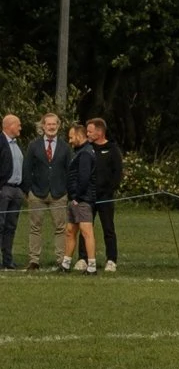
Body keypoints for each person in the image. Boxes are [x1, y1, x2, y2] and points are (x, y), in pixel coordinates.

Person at [26, 113, 73, 271]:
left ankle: (61, 260)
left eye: (54, 124)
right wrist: (29, 190)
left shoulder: (65, 147)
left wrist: (67, 190)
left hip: (59, 193)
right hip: (37, 193)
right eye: (48, 124)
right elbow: (27, 169)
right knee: (35, 227)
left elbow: (70, 171)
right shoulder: (33, 146)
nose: (51, 127)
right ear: (43, 126)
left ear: (58, 126)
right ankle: (34, 261)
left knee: (61, 228)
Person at [77, 117, 125, 271]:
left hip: (105, 197)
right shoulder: (86, 148)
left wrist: (109, 190)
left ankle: (111, 259)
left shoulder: (112, 149)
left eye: (90, 131)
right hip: (87, 196)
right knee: (85, 228)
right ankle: (83, 258)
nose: (88, 134)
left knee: (108, 228)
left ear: (99, 132)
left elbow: (117, 173)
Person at [64, 119, 100, 273]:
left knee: (86, 231)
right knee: (70, 231)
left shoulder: (85, 153)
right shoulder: (79, 152)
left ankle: (91, 266)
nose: (70, 140)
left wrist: (78, 198)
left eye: (72, 137)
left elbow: (84, 178)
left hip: (83, 200)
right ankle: (65, 264)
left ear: (79, 135)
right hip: (75, 199)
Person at [0, 113, 22, 269]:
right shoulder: (0, 142)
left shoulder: (16, 145)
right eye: (18, 125)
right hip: (4, 189)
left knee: (10, 227)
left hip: (17, 191)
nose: (20, 127)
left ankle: (7, 260)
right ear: (9, 126)